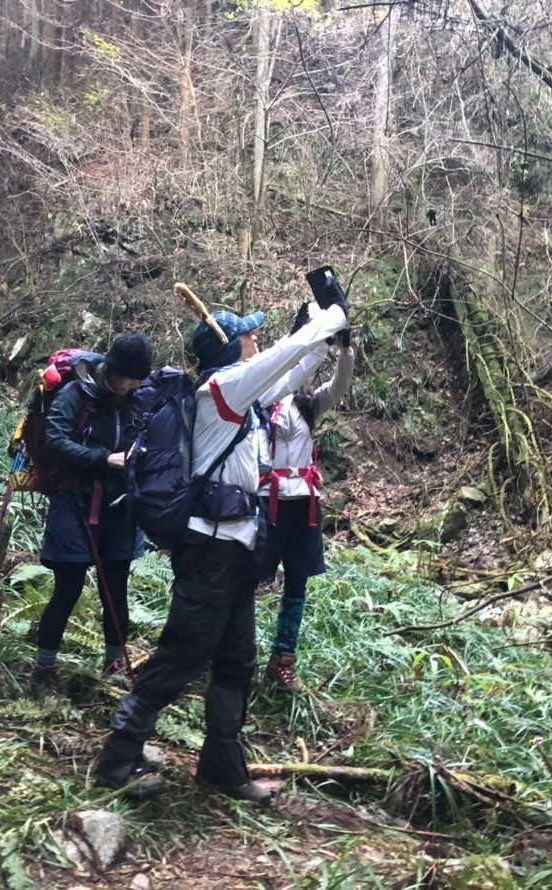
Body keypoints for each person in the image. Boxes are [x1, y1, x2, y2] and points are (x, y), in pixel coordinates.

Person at [94, 295, 350, 804]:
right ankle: (117, 757)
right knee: (182, 654)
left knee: (236, 659)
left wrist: (327, 344)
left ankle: (221, 768)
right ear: (231, 347)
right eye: (248, 335)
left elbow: (291, 374)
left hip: (235, 551)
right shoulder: (221, 391)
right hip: (210, 551)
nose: (256, 340)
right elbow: (281, 357)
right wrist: (328, 319)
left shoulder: (242, 398)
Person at [29, 332, 153, 702]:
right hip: (74, 501)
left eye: (138, 381)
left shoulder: (135, 400)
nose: (132, 387)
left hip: (119, 506)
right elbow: (55, 440)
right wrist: (103, 459)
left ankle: (114, 665)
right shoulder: (75, 394)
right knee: (67, 588)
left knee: (115, 589)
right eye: (129, 379)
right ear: (114, 371)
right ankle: (44, 670)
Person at [256, 304, 354, 692]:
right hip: (267, 501)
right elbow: (286, 358)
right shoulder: (262, 394)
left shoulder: (307, 405)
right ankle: (231, 650)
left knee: (297, 585)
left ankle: (282, 660)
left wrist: (345, 348)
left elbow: (339, 385)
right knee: (249, 578)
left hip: (304, 505)